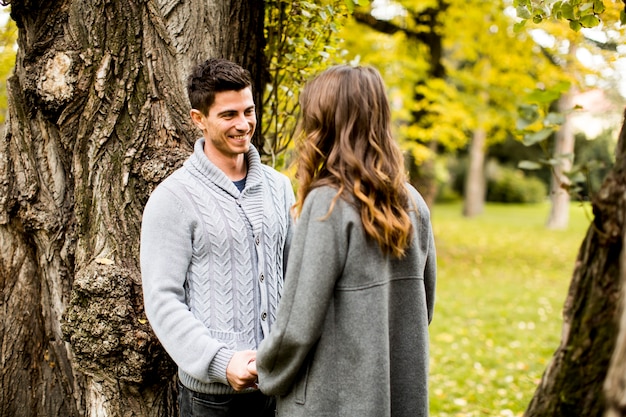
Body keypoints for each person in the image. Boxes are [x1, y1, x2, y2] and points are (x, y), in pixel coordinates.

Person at [249, 65, 437, 417]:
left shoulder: (327, 204)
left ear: (325, 123)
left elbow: (297, 323)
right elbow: (423, 306)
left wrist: (264, 369)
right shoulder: (413, 203)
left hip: (329, 402)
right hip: (398, 395)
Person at [140, 58, 294, 417]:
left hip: (282, 389)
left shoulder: (280, 188)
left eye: (249, 110)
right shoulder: (173, 198)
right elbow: (162, 299)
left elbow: (296, 279)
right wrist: (222, 362)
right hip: (213, 400)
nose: (243, 124)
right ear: (199, 119)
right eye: (228, 115)